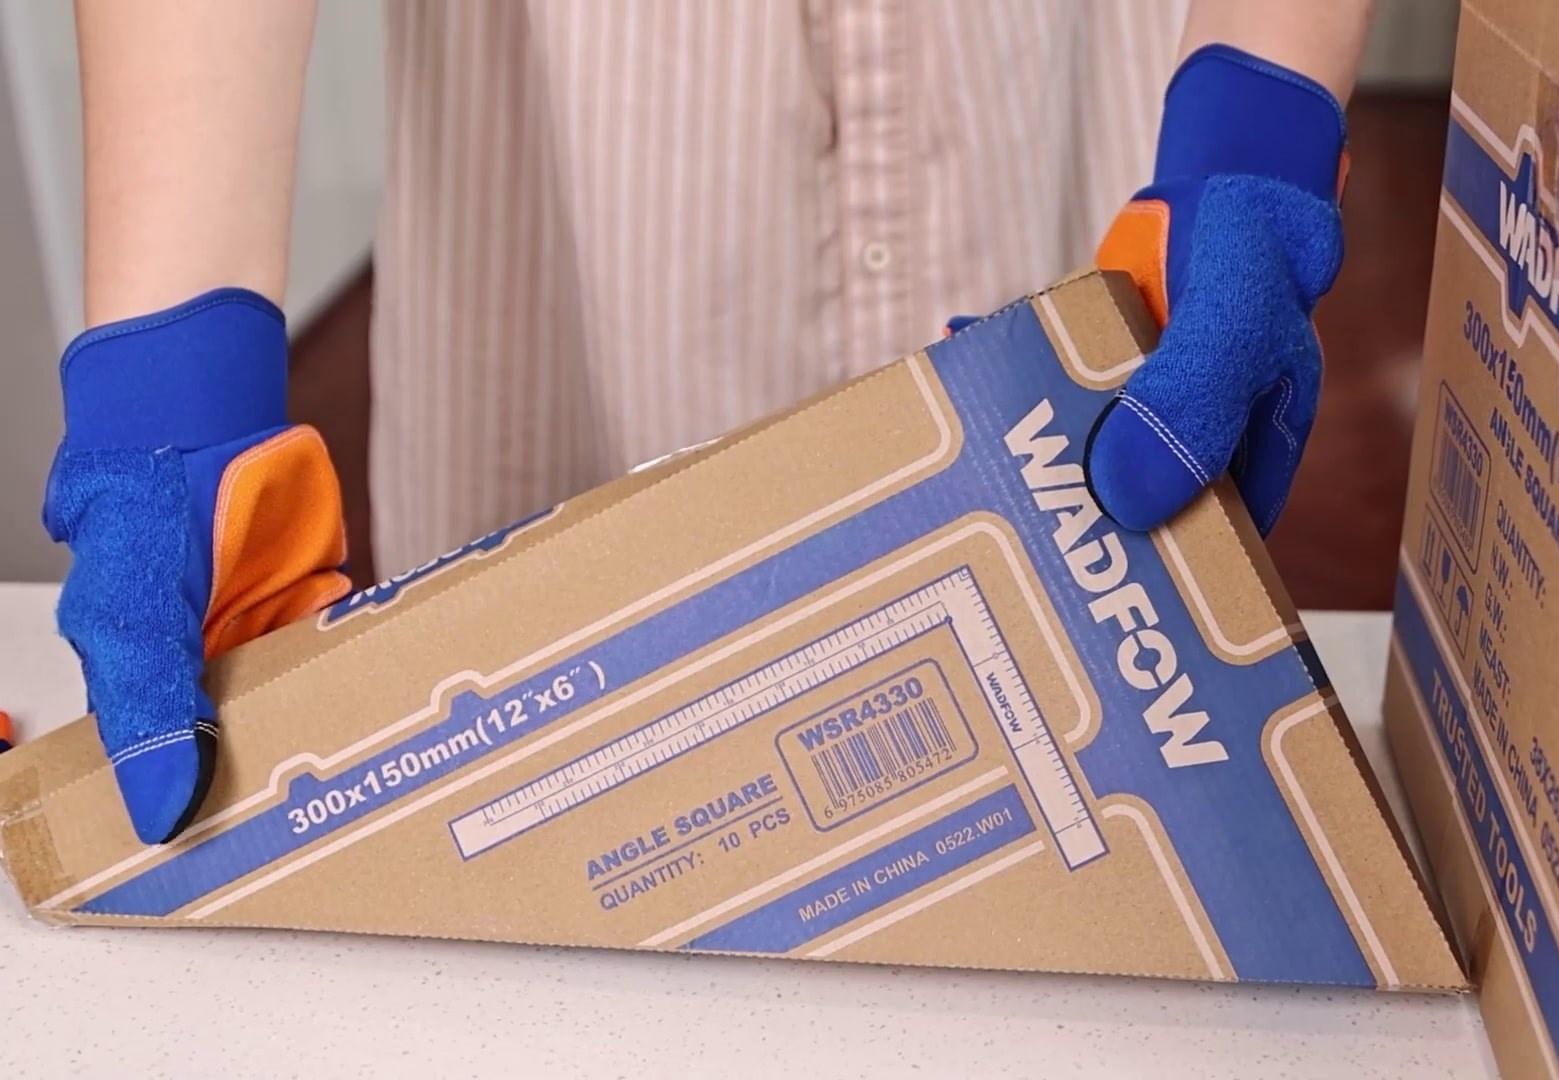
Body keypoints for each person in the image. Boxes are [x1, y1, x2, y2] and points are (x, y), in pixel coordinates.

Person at [46, 0, 1372, 842]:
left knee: (1109, 798)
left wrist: (1257, 106)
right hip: (582, 178)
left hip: (1066, 102)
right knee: (537, 866)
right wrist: (173, 385)